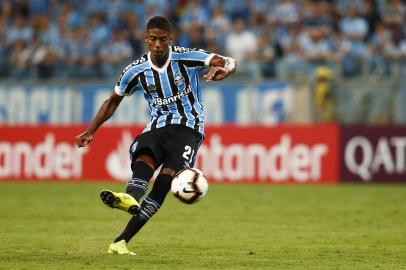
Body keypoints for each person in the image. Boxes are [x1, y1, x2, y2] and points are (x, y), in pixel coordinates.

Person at [75, 16, 236, 255]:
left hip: (189, 128)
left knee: (162, 185)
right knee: (144, 155)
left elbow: (227, 60)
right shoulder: (135, 70)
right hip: (157, 126)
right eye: (153, 39)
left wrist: (227, 70)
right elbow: (112, 101)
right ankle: (129, 199)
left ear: (170, 39)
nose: (158, 44)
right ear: (146, 39)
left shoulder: (186, 57)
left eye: (162, 40)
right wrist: (91, 131)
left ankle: (120, 241)